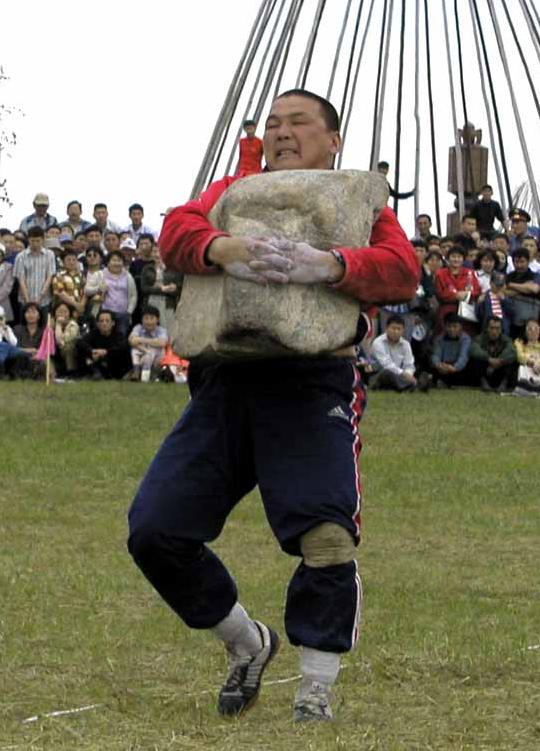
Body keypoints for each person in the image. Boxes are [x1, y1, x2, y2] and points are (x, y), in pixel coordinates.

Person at [126, 89, 419, 723]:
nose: (284, 133)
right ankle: (246, 642)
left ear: (333, 139)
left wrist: (334, 265)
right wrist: (221, 247)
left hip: (312, 383)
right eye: (275, 124)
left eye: (300, 123)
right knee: (156, 530)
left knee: (327, 536)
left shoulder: (356, 198)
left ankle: (315, 688)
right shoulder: (234, 189)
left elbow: (401, 270)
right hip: (225, 383)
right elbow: (177, 229)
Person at [434, 245, 481, 335]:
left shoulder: (470, 273)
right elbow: (439, 293)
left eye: (459, 257)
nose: (456, 259)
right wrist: (456, 296)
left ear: (463, 259)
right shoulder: (440, 274)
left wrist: (466, 295)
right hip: (447, 310)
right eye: (453, 256)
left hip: (467, 311)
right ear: (448, 258)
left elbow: (477, 291)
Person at [369, 315, 422, 392]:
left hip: (398, 376)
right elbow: (386, 364)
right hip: (378, 375)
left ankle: (406, 386)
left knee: (406, 374)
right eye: (393, 328)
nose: (396, 332)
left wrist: (408, 374)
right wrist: (403, 374)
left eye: (399, 329)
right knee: (387, 373)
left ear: (403, 330)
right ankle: (412, 386)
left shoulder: (406, 344)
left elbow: (409, 364)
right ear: (386, 328)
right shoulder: (378, 342)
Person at [79, 309, 131, 379]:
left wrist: (106, 352)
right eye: (101, 321)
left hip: (114, 366)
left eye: (107, 321)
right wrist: (92, 351)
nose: (104, 323)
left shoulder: (118, 335)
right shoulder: (94, 332)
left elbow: (122, 347)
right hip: (97, 362)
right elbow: (80, 342)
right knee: (83, 352)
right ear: (97, 324)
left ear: (113, 323)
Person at [468, 316, 515, 391]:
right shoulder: (480, 338)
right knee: (476, 359)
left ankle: (504, 384)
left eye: (497, 328)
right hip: (485, 371)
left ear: (501, 329)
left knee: (511, 361)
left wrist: (500, 360)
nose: (494, 331)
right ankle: (483, 382)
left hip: (499, 370)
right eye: (492, 328)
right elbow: (473, 349)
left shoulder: (506, 339)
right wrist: (488, 359)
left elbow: (512, 351)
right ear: (487, 328)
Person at [503, 248, 540, 339]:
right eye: (516, 262)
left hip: (531, 320)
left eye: (522, 262)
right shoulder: (508, 277)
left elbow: (534, 289)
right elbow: (503, 292)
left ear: (528, 262)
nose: (519, 265)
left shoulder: (536, 276)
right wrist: (525, 287)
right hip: (512, 320)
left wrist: (511, 285)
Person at [127, 305, 170, 382]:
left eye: (152, 318)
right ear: (142, 320)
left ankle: (154, 373)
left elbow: (162, 343)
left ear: (157, 319)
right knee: (136, 350)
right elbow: (131, 340)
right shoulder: (138, 327)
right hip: (142, 358)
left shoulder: (162, 330)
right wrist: (145, 350)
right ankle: (136, 371)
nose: (149, 322)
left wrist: (141, 340)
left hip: (156, 361)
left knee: (158, 350)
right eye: (146, 318)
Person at [101, 250, 138, 338]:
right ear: (108, 262)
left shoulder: (128, 276)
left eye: (119, 260)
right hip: (106, 313)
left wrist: (129, 311)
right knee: (106, 337)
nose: (116, 263)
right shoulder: (102, 274)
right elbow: (89, 290)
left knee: (121, 338)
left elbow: (133, 295)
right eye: (114, 260)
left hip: (123, 314)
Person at [430, 312, 472, 388]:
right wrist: (438, 365)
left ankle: (444, 382)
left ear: (461, 327)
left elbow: (463, 357)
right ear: (445, 326)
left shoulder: (466, 339)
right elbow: (436, 355)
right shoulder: (439, 339)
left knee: (471, 366)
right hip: (443, 365)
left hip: (458, 367)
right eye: (448, 326)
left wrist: (454, 368)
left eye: (455, 326)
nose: (451, 329)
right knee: (430, 363)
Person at [513, 319, 540, 394]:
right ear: (524, 330)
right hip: (525, 368)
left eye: (536, 328)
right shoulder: (518, 341)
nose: (533, 331)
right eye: (530, 329)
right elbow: (519, 356)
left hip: (539, 370)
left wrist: (538, 364)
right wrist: (533, 363)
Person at [51, 300, 82, 377]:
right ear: (54, 313)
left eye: (65, 312)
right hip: (57, 351)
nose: (62, 314)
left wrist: (58, 325)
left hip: (71, 351)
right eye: (59, 312)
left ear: (70, 313)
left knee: (68, 347)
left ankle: (71, 372)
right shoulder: (51, 323)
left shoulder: (73, 325)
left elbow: (61, 342)